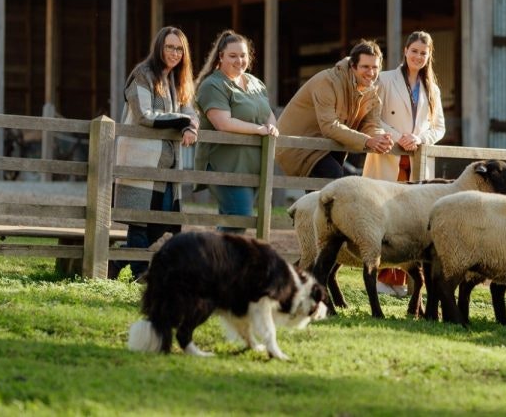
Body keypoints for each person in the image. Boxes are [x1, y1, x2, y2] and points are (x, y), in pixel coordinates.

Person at [362, 31, 447, 296]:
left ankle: (400, 280)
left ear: (429, 55)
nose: (418, 57)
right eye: (414, 51)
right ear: (405, 51)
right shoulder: (385, 79)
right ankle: (380, 277)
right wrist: (399, 137)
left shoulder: (432, 89)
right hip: (389, 155)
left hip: (416, 160)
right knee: (384, 216)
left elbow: (439, 127)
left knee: (411, 222)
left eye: (423, 53)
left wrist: (420, 139)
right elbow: (373, 117)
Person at [113, 26, 198, 279]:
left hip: (167, 165)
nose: (174, 53)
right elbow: (144, 115)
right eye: (170, 47)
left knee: (163, 220)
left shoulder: (178, 79)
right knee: (140, 220)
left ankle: (116, 262)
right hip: (140, 160)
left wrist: (190, 125)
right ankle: (140, 273)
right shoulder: (143, 74)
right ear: (159, 47)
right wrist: (183, 121)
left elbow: (190, 112)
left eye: (179, 49)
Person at [194, 30, 279, 234]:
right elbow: (223, 123)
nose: (239, 61)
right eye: (232, 56)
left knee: (232, 221)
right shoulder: (212, 85)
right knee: (240, 218)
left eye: (243, 55)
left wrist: (271, 128)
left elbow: (269, 114)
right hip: (225, 165)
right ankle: (215, 253)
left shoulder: (256, 83)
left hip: (254, 165)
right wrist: (259, 130)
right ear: (221, 56)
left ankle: (217, 254)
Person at [274, 39, 393, 180]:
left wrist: (380, 138)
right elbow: (329, 126)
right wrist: (367, 141)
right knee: (336, 178)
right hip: (298, 146)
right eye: (365, 67)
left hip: (330, 146)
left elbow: (370, 124)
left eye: (375, 67)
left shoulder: (373, 91)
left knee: (339, 184)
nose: (371, 72)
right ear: (353, 66)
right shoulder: (328, 81)